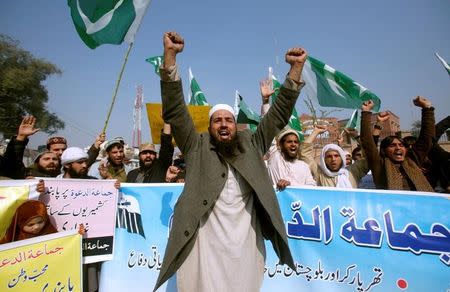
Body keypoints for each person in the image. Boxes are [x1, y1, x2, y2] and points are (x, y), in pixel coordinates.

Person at [154, 31, 306, 291]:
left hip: (244, 244)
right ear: (210, 126)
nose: (223, 124)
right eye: (217, 120)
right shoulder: (196, 145)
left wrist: (295, 70)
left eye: (228, 120)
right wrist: (170, 58)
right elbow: (176, 110)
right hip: (204, 242)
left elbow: (278, 115)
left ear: (235, 126)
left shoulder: (252, 143)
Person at [360, 97, 434, 191]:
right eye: (392, 145)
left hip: (423, 204)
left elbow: (426, 139)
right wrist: (366, 112)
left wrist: (427, 108)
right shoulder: (379, 164)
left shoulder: (412, 160)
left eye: (401, 145)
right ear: (384, 150)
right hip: (390, 205)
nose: (398, 148)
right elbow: (367, 143)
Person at [300, 125, 369, 188]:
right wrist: (315, 132)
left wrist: (357, 137)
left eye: (336, 156)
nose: (333, 159)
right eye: (329, 156)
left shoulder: (352, 171)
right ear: (324, 160)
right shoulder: (319, 174)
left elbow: (369, 157)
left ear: (342, 158)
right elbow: (304, 153)